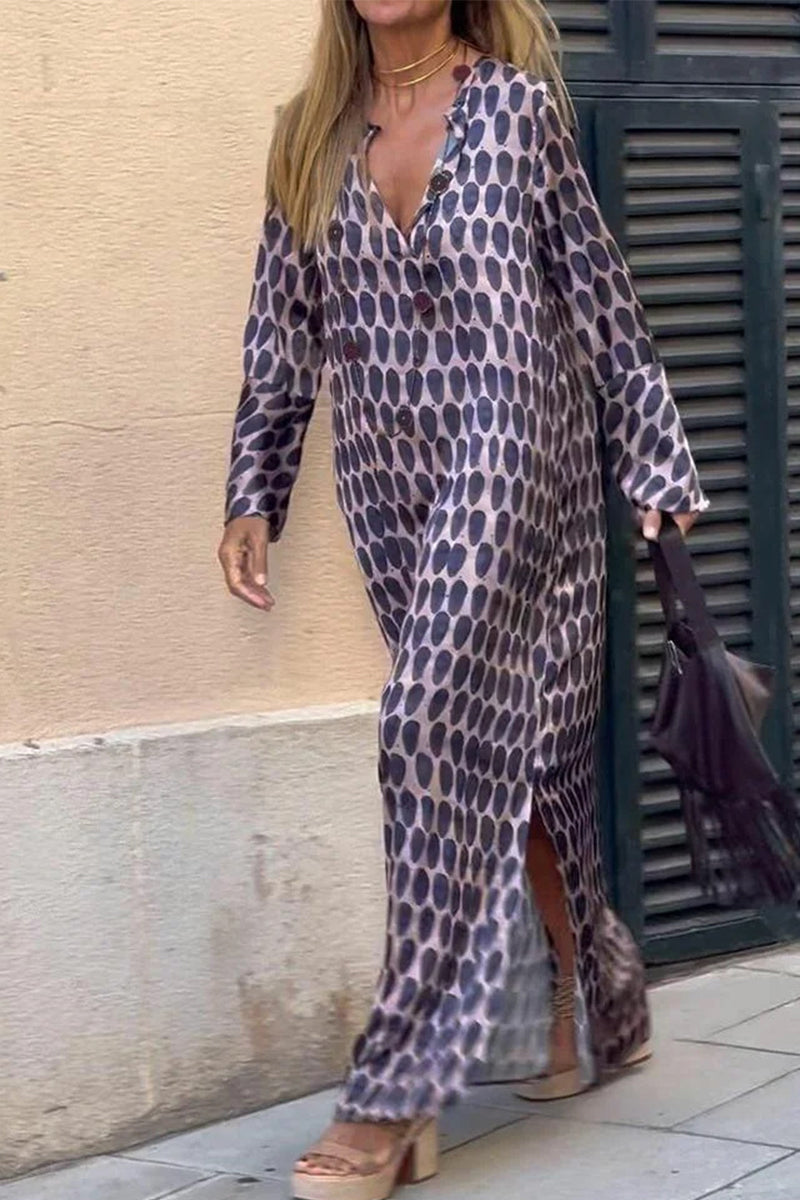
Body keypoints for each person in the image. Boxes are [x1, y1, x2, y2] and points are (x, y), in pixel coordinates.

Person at [218, 2, 707, 1197]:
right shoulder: (306, 133)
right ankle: (593, 998)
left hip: (517, 464)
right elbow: (283, 329)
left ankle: (394, 1092)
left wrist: (654, 452)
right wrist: (253, 489)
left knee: (421, 722)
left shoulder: (514, 110)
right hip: (388, 489)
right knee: (511, 758)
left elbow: (595, 293)